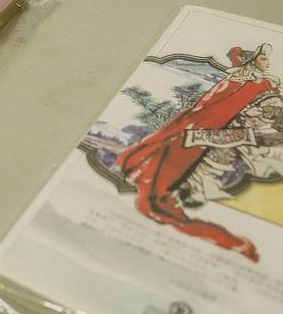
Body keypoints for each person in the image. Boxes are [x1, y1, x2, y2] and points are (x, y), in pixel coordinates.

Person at [117, 43, 280, 261]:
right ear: (251, 61)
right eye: (263, 58)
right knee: (176, 147)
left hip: (216, 132)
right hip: (201, 127)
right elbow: (208, 107)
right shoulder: (239, 81)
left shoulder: (264, 85)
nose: (267, 62)